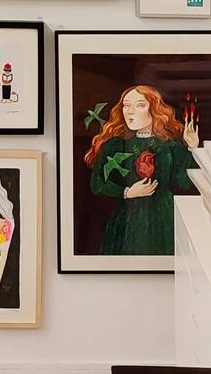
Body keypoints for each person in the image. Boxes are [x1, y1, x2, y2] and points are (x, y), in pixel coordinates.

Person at [85, 84, 199, 256]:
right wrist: (126, 192)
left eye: (140, 105)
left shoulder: (171, 147)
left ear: (154, 109)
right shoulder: (115, 145)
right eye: (126, 105)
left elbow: (183, 183)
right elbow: (97, 184)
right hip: (127, 219)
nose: (130, 111)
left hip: (162, 219)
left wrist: (192, 148)